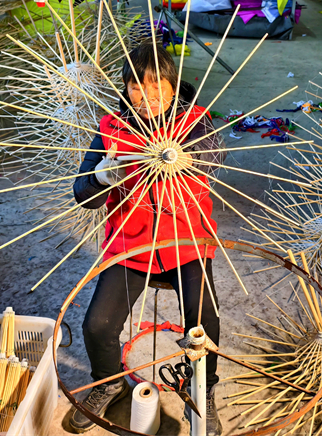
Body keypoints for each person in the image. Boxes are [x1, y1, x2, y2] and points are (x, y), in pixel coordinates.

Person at [69, 41, 225, 435]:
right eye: (138, 85)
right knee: (98, 326)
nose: (149, 94)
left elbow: (212, 156)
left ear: (173, 87)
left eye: (158, 84)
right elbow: (83, 195)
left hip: (186, 243)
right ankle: (108, 383)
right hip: (131, 247)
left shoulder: (196, 122)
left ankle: (201, 386)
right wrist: (103, 176)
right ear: (126, 88)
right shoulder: (109, 129)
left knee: (204, 323)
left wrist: (181, 156)